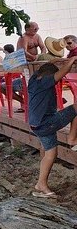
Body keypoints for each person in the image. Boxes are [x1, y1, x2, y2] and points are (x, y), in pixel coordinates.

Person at [27, 57, 77, 198]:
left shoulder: (34, 79)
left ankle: (41, 184)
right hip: (46, 122)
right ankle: (72, 139)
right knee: (76, 108)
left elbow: (47, 67)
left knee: (50, 154)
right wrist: (72, 60)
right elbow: (62, 72)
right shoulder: (45, 82)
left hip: (36, 124)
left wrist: (54, 61)